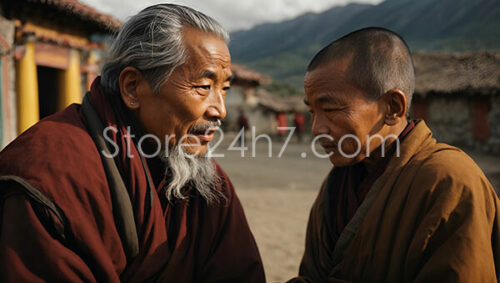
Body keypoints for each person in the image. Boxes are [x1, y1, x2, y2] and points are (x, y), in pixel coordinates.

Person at [0, 4, 265, 282]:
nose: (220, 110)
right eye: (203, 87)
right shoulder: (53, 175)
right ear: (132, 88)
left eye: (224, 89)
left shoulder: (206, 182)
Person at [290, 27, 500, 282]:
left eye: (331, 109)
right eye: (312, 112)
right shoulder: (336, 184)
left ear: (392, 107)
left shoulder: (449, 180)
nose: (316, 129)